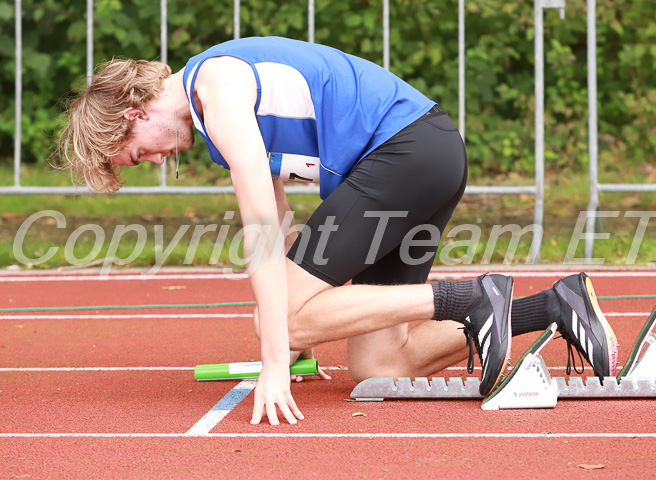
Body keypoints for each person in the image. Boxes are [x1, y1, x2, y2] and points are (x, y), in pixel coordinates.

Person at [59, 36, 618, 426]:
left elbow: (258, 235)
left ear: (134, 112)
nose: (153, 162)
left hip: (406, 152)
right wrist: (294, 337)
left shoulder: (215, 85)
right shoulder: (213, 116)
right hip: (427, 156)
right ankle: (552, 307)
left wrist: (277, 357)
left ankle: (471, 296)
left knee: (276, 315)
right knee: (380, 367)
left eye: (135, 155)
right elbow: (277, 221)